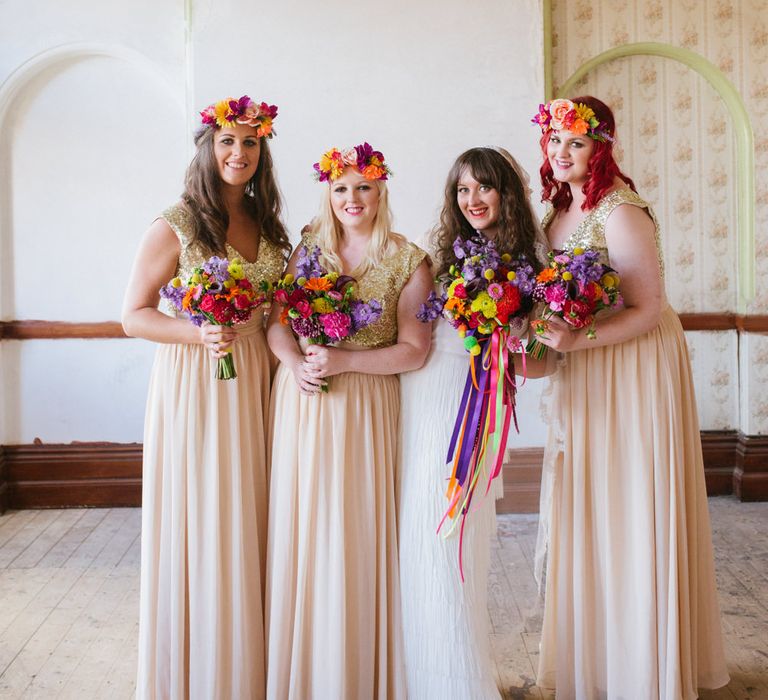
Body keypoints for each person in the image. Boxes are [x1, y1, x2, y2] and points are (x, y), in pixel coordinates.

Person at [531, 96, 729, 699]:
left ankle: (644, 668)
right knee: (587, 504)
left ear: (600, 148)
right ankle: (594, 662)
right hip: (585, 366)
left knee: (630, 503)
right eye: (554, 141)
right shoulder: (558, 210)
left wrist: (577, 336)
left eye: (576, 143)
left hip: (631, 368)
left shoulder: (620, 210)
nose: (560, 153)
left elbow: (648, 309)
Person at [122, 94, 290, 699]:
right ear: (207, 148)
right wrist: (199, 332)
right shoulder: (177, 223)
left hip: (258, 381)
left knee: (253, 509)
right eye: (227, 141)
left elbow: (280, 307)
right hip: (199, 379)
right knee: (208, 512)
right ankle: (203, 670)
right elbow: (132, 316)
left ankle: (253, 663)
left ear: (262, 151)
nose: (238, 152)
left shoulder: (270, 226)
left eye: (250, 142)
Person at [264, 143, 432, 699]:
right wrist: (293, 364)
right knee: (304, 527)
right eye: (341, 188)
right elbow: (277, 328)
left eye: (363, 187)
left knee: (357, 532)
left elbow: (414, 350)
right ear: (327, 194)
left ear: (381, 191)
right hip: (305, 401)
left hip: (366, 408)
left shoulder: (408, 260)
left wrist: (346, 361)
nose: (352, 198)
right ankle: (306, 668)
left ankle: (358, 670)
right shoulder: (307, 249)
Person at [397, 147, 546, 700]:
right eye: (462, 190)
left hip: (468, 409)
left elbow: (542, 361)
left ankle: (454, 681)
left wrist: (516, 341)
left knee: (449, 539)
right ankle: (413, 672)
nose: (473, 200)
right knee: (414, 535)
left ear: (506, 192)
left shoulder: (531, 264)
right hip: (418, 398)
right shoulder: (445, 255)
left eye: (484, 187)